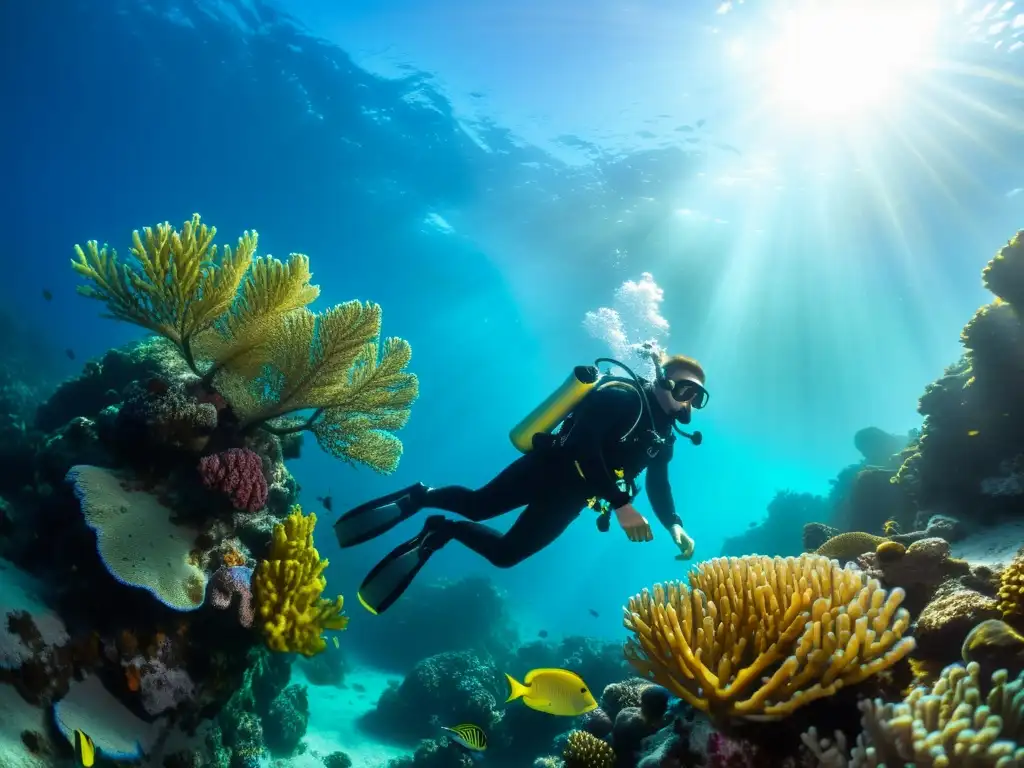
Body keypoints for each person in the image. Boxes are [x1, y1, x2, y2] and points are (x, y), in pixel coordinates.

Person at [334, 351, 708, 615]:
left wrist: (674, 524)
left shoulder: (665, 436)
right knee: (478, 506)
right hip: (547, 467)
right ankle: (421, 496)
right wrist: (621, 504)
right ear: (662, 379)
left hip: (573, 497)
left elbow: (660, 483)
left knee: (506, 555)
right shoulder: (620, 396)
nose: (688, 402)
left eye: (697, 396)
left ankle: (440, 531)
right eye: (685, 389)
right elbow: (583, 444)